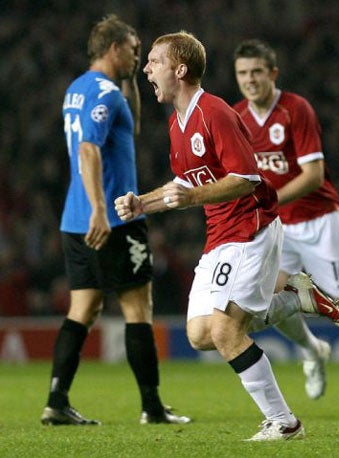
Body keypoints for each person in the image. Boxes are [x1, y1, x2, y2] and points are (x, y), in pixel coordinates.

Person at [114, 31, 339, 441]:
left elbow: (246, 178)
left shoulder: (214, 112)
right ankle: (292, 297)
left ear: (180, 70)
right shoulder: (177, 124)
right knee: (201, 334)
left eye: (154, 61)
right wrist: (142, 204)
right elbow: (183, 183)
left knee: (224, 331)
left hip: (249, 225)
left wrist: (191, 197)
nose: (146, 69)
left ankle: (284, 422)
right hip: (221, 232)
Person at [40, 14, 190, 426]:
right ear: (113, 49)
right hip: (114, 218)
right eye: (134, 49)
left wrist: (130, 87)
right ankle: (152, 408)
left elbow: (125, 130)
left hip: (74, 220)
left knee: (83, 309)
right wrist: (102, 211)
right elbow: (89, 149)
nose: (140, 57)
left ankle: (56, 401)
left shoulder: (78, 89)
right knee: (138, 308)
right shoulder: (107, 93)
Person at [232, 39, 339, 394]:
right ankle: (312, 350)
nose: (249, 79)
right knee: (269, 298)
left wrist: (269, 200)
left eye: (256, 72)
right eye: (242, 73)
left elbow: (313, 175)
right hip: (277, 227)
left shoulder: (295, 110)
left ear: (273, 73)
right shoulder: (236, 117)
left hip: (320, 220)